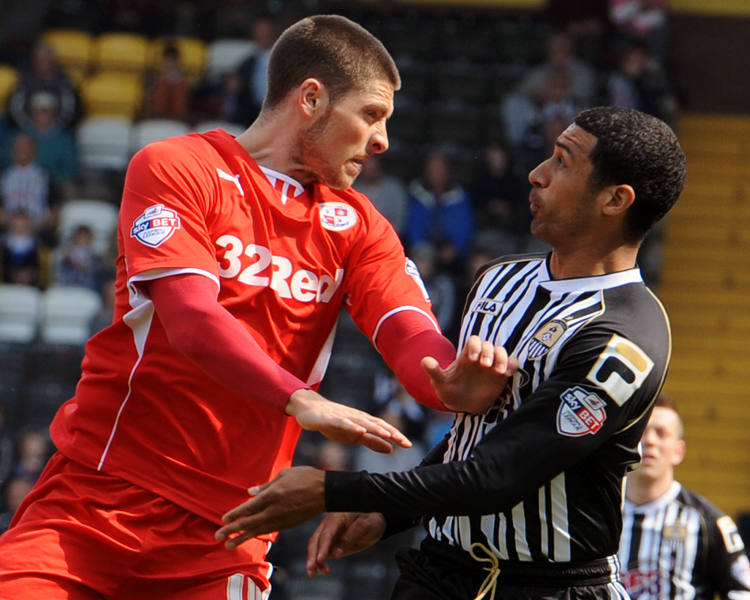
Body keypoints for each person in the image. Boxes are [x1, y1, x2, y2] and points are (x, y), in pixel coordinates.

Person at [0, 15, 513, 600]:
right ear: (311, 98)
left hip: (228, 538)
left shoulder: (361, 226)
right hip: (93, 504)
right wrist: (298, 398)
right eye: (372, 114)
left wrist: (453, 381)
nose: (382, 141)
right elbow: (191, 318)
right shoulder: (178, 166)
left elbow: (409, 334)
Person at [214, 106, 689, 600]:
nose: (537, 173)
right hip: (438, 570)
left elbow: (503, 472)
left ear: (615, 200)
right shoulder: (498, 280)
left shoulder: (626, 336)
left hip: (549, 588)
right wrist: (391, 513)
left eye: (562, 161)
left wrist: (331, 490)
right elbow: (473, 438)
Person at [619, 394, 750, 600]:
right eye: (641, 431)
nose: (649, 440)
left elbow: (742, 592)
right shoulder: (597, 516)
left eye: (661, 433)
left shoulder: (708, 522)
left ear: (678, 451)